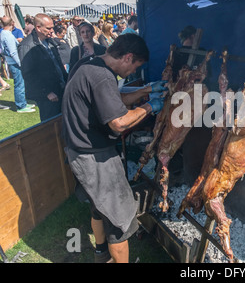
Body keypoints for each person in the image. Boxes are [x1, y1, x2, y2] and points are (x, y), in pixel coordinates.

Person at [62, 33, 167, 263]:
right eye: (134, 67)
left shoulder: (89, 63)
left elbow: (112, 98)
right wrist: (150, 106)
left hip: (78, 150)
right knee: (120, 221)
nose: (132, 74)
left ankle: (101, 254)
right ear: (128, 57)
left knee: (98, 209)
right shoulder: (102, 76)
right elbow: (118, 123)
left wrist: (146, 90)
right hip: (94, 157)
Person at [18, 13, 68, 121]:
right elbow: (28, 74)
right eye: (49, 28)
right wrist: (46, 92)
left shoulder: (49, 41)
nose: (52, 31)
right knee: (51, 124)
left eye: (52, 28)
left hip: (59, 88)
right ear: (38, 28)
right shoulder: (27, 46)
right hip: (47, 95)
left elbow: (58, 63)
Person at [0, 16, 35, 113]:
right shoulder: (8, 36)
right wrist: (21, 63)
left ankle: (22, 102)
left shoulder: (3, 33)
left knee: (20, 83)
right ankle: (21, 106)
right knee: (19, 84)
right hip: (15, 63)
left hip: (11, 61)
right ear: (12, 23)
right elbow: (13, 52)